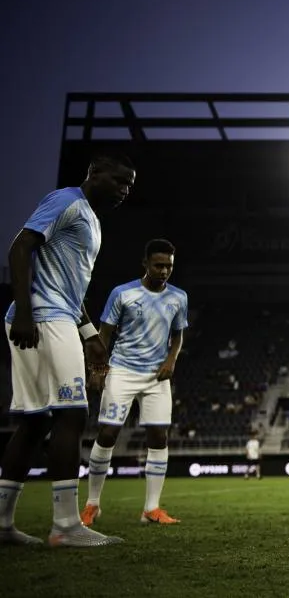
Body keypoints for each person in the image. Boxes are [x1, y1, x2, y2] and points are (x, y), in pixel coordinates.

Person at [0, 152, 135, 547]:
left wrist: (91, 334)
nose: (125, 191)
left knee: (35, 421)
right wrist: (25, 311)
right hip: (43, 317)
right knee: (72, 414)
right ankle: (65, 525)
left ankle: (3, 524)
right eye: (120, 181)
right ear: (95, 173)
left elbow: (70, 288)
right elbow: (19, 248)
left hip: (55, 315)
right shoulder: (66, 200)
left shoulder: (92, 219)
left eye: (130, 185)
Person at [82, 239, 189, 527]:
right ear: (145, 263)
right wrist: (97, 370)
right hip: (122, 371)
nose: (164, 270)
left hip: (157, 376)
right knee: (108, 433)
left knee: (159, 437)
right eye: (159, 265)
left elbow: (178, 336)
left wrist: (171, 361)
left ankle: (151, 509)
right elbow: (105, 335)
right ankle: (92, 505)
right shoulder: (123, 293)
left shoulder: (179, 297)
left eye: (169, 265)